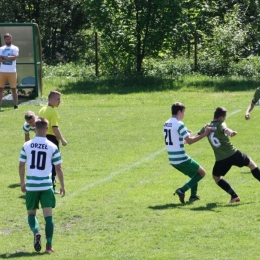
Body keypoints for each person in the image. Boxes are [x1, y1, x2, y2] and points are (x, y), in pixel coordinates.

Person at [19, 117, 65, 253]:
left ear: (35, 128)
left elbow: (21, 165)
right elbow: (59, 168)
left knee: (31, 214)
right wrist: (62, 185)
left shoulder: (27, 145)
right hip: (46, 185)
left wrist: (22, 182)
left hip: (32, 185)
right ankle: (49, 246)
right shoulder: (52, 146)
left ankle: (36, 231)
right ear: (46, 128)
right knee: (48, 216)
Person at [198, 107, 260, 203]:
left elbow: (196, 137)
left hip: (221, 160)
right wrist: (231, 132)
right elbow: (225, 129)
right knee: (252, 165)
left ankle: (234, 196)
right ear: (221, 117)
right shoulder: (221, 124)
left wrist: (185, 140)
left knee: (216, 177)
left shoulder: (206, 127)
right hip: (233, 154)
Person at [163, 102, 212, 204]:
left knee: (194, 175)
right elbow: (189, 141)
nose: (184, 115)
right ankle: (182, 190)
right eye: (183, 112)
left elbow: (176, 139)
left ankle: (193, 197)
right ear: (179, 111)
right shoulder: (179, 124)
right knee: (202, 173)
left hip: (172, 159)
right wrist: (205, 134)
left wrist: (186, 134)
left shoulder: (166, 123)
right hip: (181, 158)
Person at [38, 90, 67, 194]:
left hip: (41, 137)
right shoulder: (53, 112)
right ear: (51, 100)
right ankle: (51, 186)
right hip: (51, 138)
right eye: (58, 99)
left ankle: (42, 184)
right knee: (54, 162)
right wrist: (62, 140)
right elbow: (55, 128)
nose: (59, 102)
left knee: (44, 162)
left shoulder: (42, 109)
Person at [0, 33, 19, 110]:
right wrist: (9, 58)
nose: (8, 40)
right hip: (2, 71)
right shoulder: (1, 49)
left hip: (12, 71)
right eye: (6, 39)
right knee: (0, 89)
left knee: (13, 89)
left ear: (11, 39)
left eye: (9, 39)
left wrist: (5, 57)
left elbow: (14, 57)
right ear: (4, 40)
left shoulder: (15, 48)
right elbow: (0, 59)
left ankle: (15, 105)